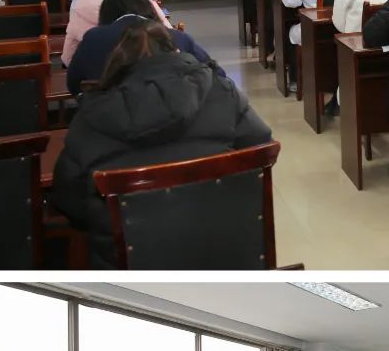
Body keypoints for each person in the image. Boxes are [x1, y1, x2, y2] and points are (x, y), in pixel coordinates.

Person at [51, 21, 273, 267]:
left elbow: (69, 201)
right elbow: (261, 149)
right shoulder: (222, 91)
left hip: (130, 265)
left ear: (116, 66)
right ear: (177, 54)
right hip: (233, 253)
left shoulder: (90, 117)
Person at [66, 0, 222, 96]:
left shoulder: (93, 38)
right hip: (179, 119)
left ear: (105, 15)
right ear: (149, 10)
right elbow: (218, 75)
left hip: (111, 121)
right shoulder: (177, 37)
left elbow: (73, 83)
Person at [62, 0, 171, 67]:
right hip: (149, 66)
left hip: (97, 73)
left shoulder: (80, 7)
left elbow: (68, 58)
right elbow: (169, 33)